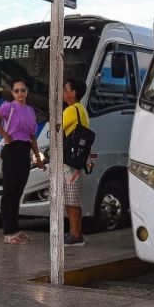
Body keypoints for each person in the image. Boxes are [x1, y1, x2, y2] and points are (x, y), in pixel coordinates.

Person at [0, 80, 45, 244]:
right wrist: (4, 134)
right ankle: (8, 232)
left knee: (18, 191)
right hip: (11, 150)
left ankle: (16, 229)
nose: (20, 94)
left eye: (23, 90)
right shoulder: (8, 107)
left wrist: (38, 158)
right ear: (12, 93)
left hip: (24, 150)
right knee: (9, 192)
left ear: (27, 92)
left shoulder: (31, 111)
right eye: (17, 91)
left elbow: (32, 136)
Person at [62, 79, 89, 247]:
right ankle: (74, 231)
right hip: (77, 159)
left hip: (70, 161)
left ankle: (76, 235)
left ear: (73, 93)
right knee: (73, 198)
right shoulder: (81, 109)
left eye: (66, 89)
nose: (64, 93)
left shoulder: (71, 110)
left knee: (71, 199)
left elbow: (58, 129)